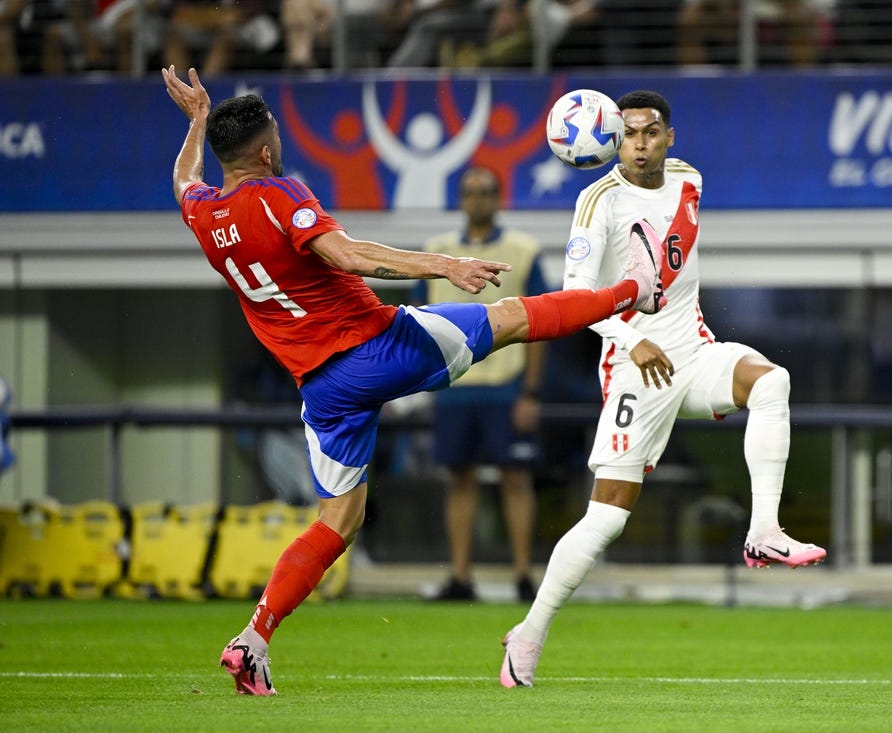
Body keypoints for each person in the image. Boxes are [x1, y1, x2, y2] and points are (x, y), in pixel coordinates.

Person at [160, 65, 665, 696]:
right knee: (510, 317)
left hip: (318, 387)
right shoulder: (279, 192)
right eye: (278, 135)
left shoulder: (206, 213)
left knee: (338, 520)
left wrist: (195, 124)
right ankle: (634, 289)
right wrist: (441, 264)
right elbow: (346, 255)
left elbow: (185, 179)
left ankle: (255, 638)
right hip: (374, 347)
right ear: (265, 151)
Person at [498, 89, 827, 688]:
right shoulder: (596, 202)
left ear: (669, 136)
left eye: (650, 132)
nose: (640, 143)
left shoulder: (690, 180)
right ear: (612, 140)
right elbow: (575, 298)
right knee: (607, 519)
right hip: (634, 369)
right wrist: (630, 338)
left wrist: (668, 333)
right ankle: (530, 632)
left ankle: (763, 533)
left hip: (694, 353)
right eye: (628, 134)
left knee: (772, 383)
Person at [411, 166, 546, 603]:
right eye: (470, 192)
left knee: (516, 478)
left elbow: (540, 324)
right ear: (461, 199)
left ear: (498, 197)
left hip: (506, 385)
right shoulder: (438, 252)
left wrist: (530, 391)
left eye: (486, 192)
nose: (478, 200)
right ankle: (460, 575)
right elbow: (417, 323)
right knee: (459, 478)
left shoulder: (522, 251)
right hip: (454, 384)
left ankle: (525, 575)